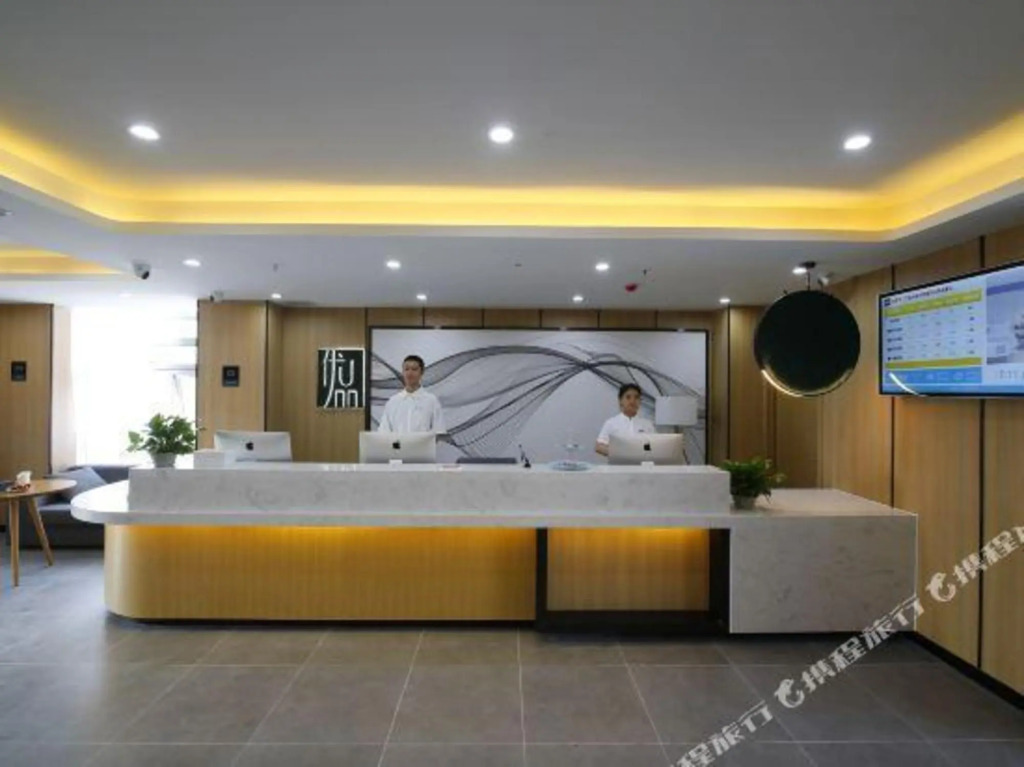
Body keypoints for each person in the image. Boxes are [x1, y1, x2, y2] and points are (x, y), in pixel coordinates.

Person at [378, 354, 445, 433]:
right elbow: (384, 431)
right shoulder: (392, 402)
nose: (410, 373)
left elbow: (439, 431)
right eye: (406, 369)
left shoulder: (431, 401)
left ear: (421, 372)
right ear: (403, 372)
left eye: (414, 369)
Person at [595, 383, 655, 457]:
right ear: (620, 401)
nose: (632, 401)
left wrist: (643, 451)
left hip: (641, 462)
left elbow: (653, 447)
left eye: (636, 397)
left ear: (640, 401)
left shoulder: (647, 424)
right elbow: (599, 446)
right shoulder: (611, 423)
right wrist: (619, 453)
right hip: (618, 463)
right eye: (628, 397)